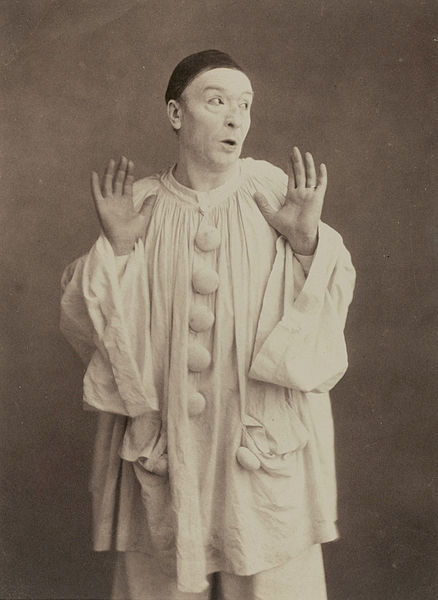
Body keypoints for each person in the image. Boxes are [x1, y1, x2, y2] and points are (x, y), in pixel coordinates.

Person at [60, 49, 355, 600]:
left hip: (262, 444)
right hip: (167, 446)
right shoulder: (139, 206)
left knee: (275, 578)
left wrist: (307, 244)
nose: (235, 117)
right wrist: (119, 250)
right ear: (176, 114)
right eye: (216, 101)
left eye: (244, 104)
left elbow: (329, 305)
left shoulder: (277, 194)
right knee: (161, 579)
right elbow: (87, 324)